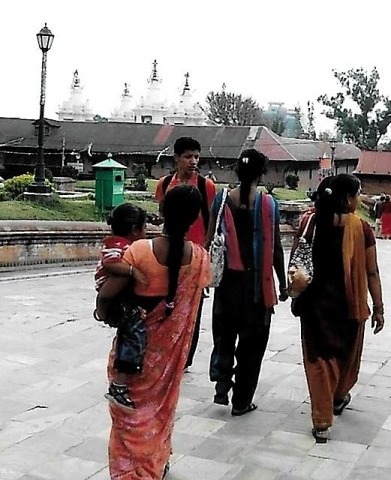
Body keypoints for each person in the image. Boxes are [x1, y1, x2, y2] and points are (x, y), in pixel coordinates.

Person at [96, 184, 212, 480]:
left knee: (126, 424)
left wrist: (104, 313)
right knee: (159, 416)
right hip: (167, 363)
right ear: (195, 219)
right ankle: (154, 467)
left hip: (132, 360)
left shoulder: (138, 252)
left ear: (161, 212)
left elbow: (107, 295)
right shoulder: (200, 259)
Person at [290, 174, 385, 443]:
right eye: (357, 193)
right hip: (349, 306)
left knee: (318, 362)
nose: (359, 198)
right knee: (345, 356)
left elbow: (296, 259)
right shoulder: (361, 228)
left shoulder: (309, 221)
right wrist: (378, 307)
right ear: (347, 198)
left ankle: (322, 421)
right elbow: (372, 272)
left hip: (314, 306)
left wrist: (293, 290)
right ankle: (339, 396)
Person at [207, 149, 288, 414]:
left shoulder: (221, 201)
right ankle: (241, 401)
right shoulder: (269, 205)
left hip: (227, 287)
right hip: (256, 290)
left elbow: (209, 241)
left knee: (224, 336)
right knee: (252, 347)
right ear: (261, 174)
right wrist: (282, 283)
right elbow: (275, 248)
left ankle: (222, 385)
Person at [155, 136, 216, 368]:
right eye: (188, 156)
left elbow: (211, 222)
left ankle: (185, 357)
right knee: (165, 301)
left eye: (197, 157)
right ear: (177, 158)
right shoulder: (164, 184)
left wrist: (206, 256)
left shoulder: (206, 187)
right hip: (169, 252)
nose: (193, 161)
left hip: (194, 255)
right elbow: (162, 215)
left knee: (193, 309)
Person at [95, 203, 150, 410]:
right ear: (135, 229)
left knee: (131, 332)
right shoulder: (118, 246)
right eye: (144, 228)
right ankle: (119, 384)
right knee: (134, 334)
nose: (146, 233)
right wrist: (132, 271)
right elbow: (110, 264)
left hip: (119, 298)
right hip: (116, 298)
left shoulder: (121, 244)